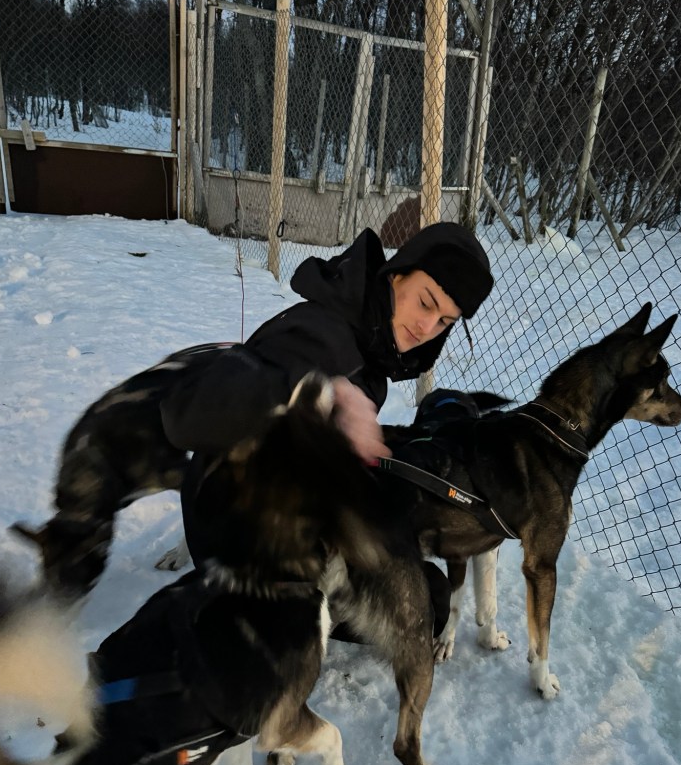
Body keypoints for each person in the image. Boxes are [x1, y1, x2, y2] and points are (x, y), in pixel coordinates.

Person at [160, 221, 494, 560]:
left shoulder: (370, 348)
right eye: (425, 302)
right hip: (238, 541)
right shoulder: (322, 336)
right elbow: (188, 415)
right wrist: (317, 395)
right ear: (397, 274)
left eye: (444, 322)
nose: (426, 327)